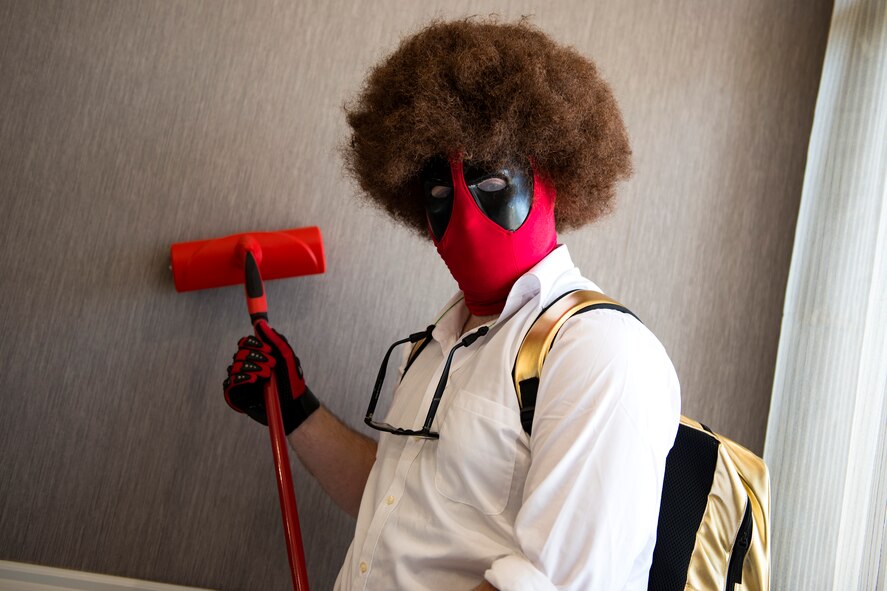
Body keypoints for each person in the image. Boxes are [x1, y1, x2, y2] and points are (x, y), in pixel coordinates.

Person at [223, 18, 680, 591]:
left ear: (553, 177)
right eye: (440, 193)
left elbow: (557, 584)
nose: (462, 215)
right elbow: (400, 504)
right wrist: (297, 411)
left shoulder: (598, 352)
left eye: (490, 184)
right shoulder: (438, 345)